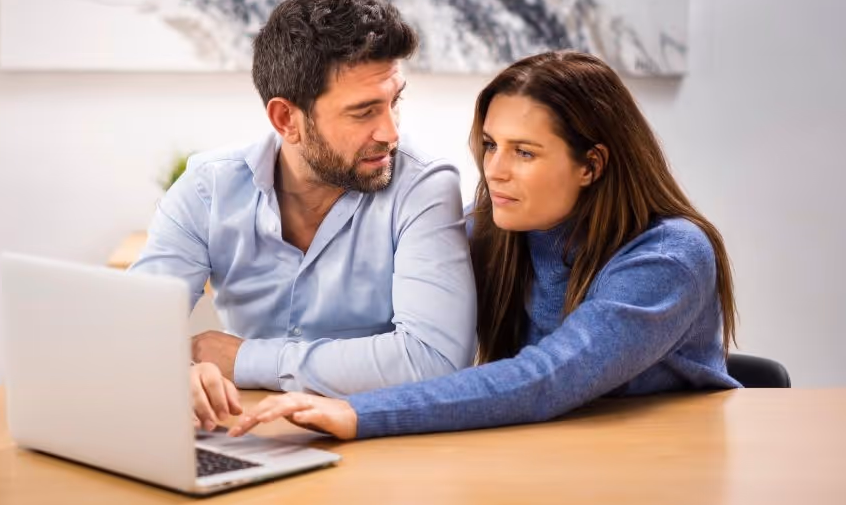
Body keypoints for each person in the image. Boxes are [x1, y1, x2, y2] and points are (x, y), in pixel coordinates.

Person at [229, 50, 740, 440]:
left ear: (592, 165)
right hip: (544, 457)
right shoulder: (492, 232)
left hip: (665, 468)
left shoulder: (669, 255)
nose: (494, 170)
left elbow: (546, 379)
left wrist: (359, 413)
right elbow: (372, 327)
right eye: (492, 144)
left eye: (524, 152)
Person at [129, 0, 476, 430]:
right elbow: (130, 335)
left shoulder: (423, 186)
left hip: (385, 439)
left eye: (394, 102)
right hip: (250, 433)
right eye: (363, 112)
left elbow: (435, 360)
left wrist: (244, 359)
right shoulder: (207, 190)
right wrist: (179, 375)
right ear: (286, 120)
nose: (390, 131)